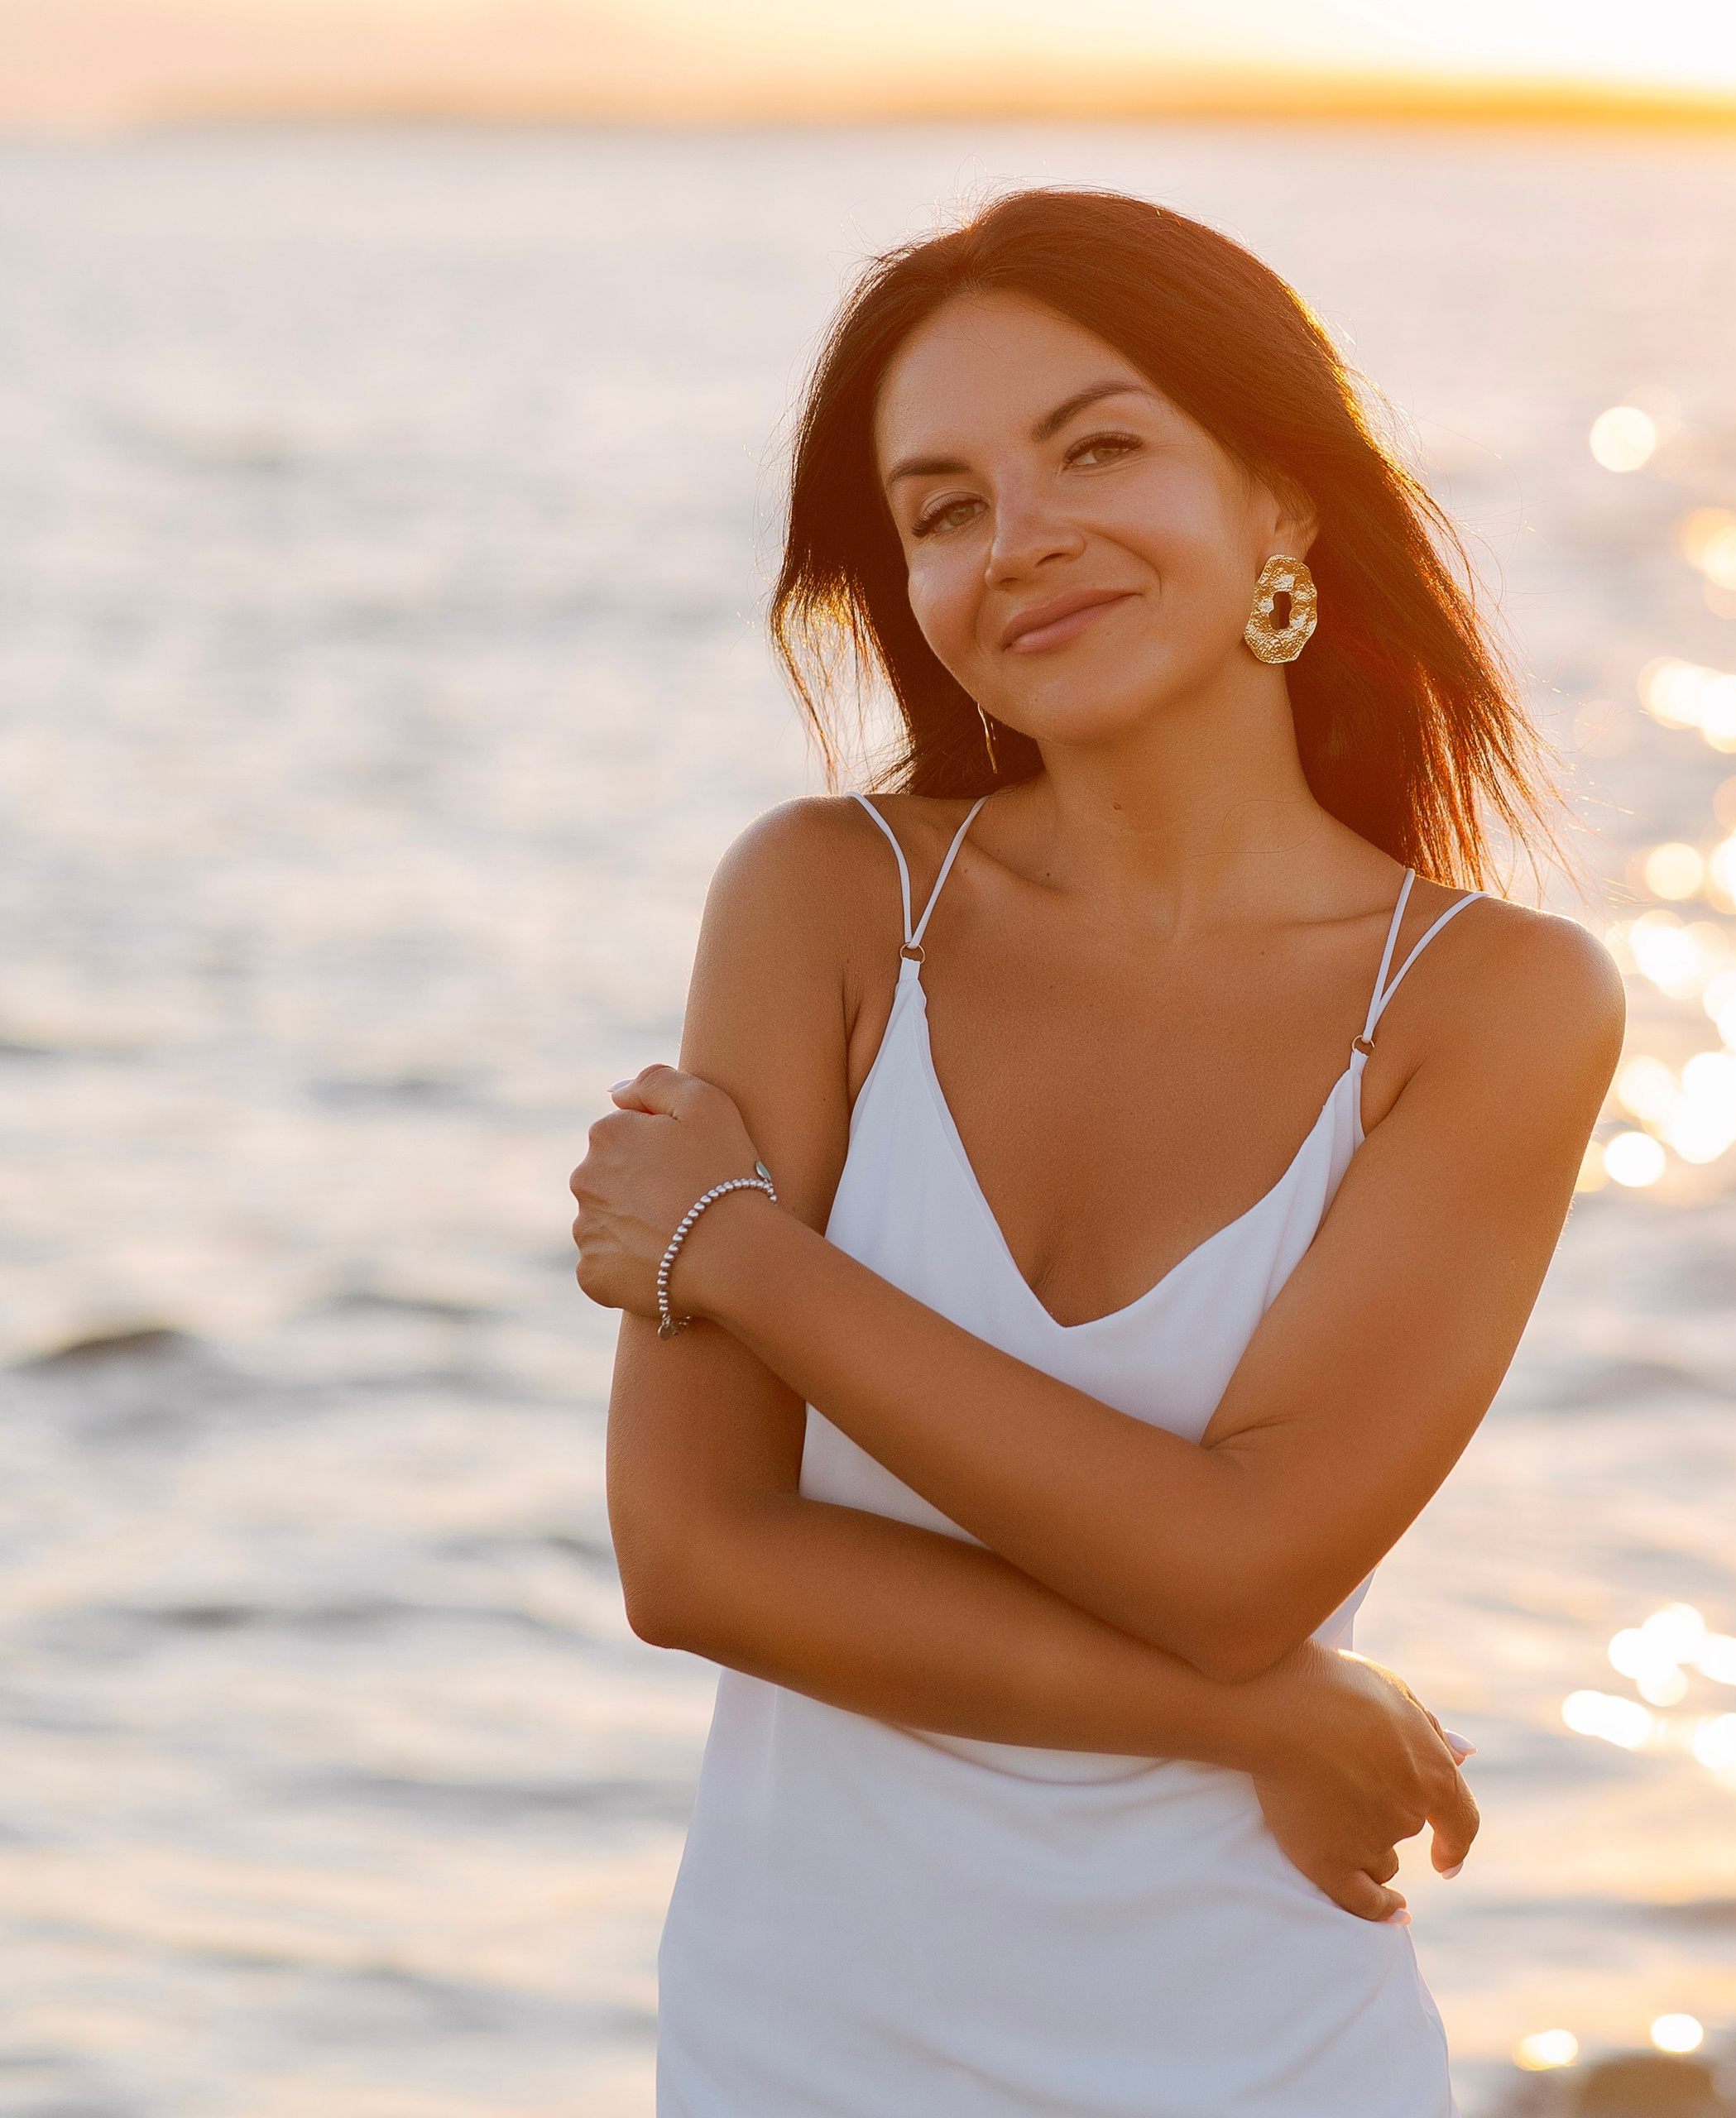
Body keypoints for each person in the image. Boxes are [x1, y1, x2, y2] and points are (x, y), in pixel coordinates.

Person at [569, 188, 1623, 2118]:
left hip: (1253, 2055)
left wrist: (741, 1252)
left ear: (1280, 504)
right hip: (796, 2049)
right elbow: (695, 1554)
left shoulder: (1489, 1004)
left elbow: (1236, 1563)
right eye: (943, 505)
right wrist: (1270, 1715)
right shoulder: (823, 902)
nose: (1021, 538)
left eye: (1099, 447)